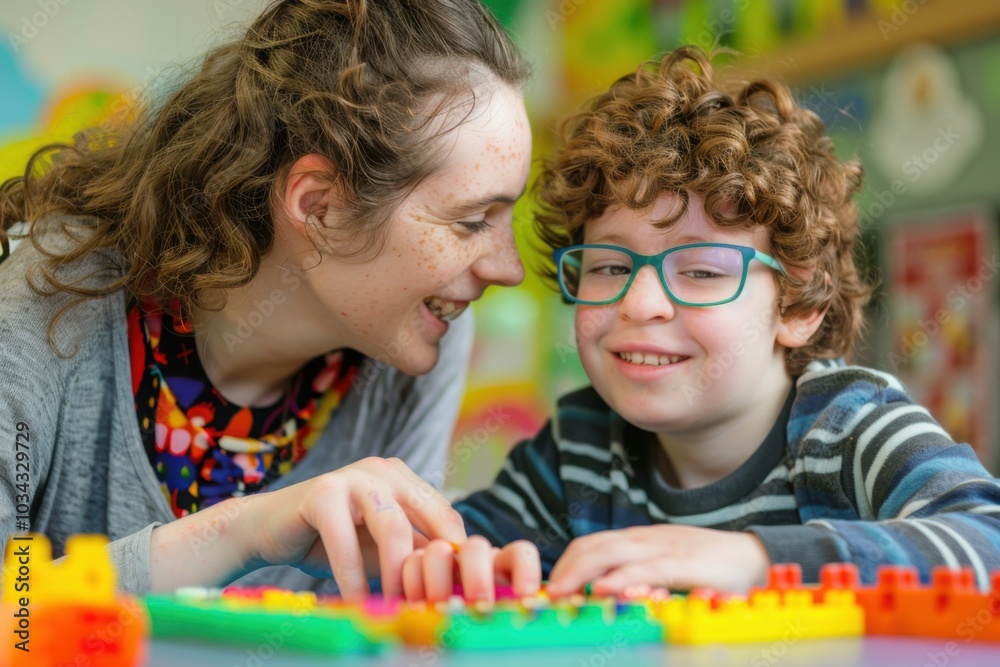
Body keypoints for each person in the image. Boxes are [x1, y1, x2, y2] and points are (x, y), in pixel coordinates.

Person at [400, 45, 1000, 604]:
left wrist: (756, 560)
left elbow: (988, 545)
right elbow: (456, 548)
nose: (640, 304)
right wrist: (455, 563)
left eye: (703, 272)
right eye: (610, 265)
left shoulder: (848, 429)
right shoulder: (578, 450)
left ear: (798, 306)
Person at [0, 0, 533, 601]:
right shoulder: (53, 296)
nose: (507, 270)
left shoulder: (416, 331)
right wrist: (240, 534)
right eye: (470, 221)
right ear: (318, 207)